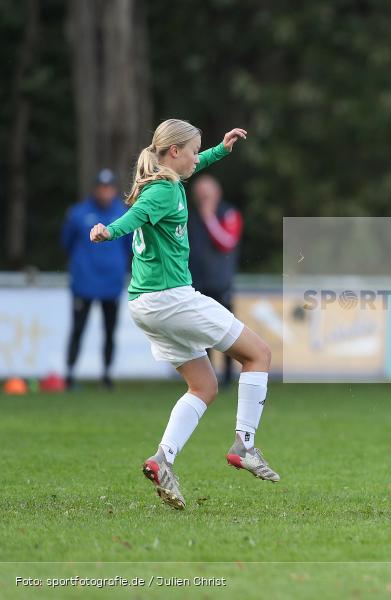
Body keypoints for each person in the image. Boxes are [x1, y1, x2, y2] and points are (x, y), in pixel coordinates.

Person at [89, 119, 279, 510]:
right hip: (171, 299)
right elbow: (135, 216)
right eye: (193, 151)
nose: (197, 158)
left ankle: (163, 458)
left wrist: (220, 150)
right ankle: (244, 444)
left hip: (144, 305)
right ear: (174, 152)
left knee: (203, 386)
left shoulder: (164, 180)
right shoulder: (163, 191)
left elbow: (189, 169)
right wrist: (108, 231)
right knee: (259, 354)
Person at [61, 168, 130, 390]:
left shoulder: (123, 214)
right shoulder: (78, 213)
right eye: (102, 187)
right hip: (84, 283)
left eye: (109, 188)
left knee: (110, 331)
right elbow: (66, 243)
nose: (105, 192)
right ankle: (70, 373)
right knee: (78, 329)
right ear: (95, 189)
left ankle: (107, 375)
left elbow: (130, 247)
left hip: (111, 284)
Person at [188, 174, 244, 386]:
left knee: (227, 330)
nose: (203, 198)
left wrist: (209, 218)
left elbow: (227, 242)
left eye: (207, 194)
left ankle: (228, 376)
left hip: (221, 282)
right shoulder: (190, 217)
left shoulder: (228, 213)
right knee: (202, 334)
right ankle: (207, 377)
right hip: (197, 284)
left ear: (217, 193)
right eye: (200, 194)